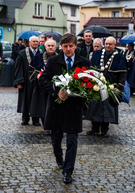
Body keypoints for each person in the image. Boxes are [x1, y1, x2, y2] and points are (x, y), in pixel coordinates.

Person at [38, 33, 90, 184]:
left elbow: (89, 84)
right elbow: (43, 80)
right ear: (61, 47)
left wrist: (82, 91)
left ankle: (68, 171)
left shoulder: (84, 62)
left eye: (71, 46)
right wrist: (56, 91)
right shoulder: (54, 61)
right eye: (65, 46)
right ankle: (59, 157)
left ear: (75, 46)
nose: (68, 49)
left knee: (72, 140)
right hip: (56, 107)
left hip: (74, 108)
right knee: (56, 139)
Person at [86, 36, 127, 136]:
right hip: (96, 86)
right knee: (95, 108)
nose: (108, 46)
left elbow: (122, 75)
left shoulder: (120, 57)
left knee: (107, 110)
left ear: (114, 45)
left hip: (111, 87)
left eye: (110, 44)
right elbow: (91, 70)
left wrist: (119, 87)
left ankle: (105, 129)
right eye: (106, 44)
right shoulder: (97, 53)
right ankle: (94, 128)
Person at [29, 39, 58, 135]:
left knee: (54, 107)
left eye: (52, 46)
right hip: (41, 86)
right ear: (45, 47)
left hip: (55, 86)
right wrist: (36, 75)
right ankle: (46, 127)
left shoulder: (59, 57)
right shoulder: (38, 57)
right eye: (48, 45)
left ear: (55, 47)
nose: (50, 47)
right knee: (43, 107)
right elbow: (30, 70)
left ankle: (54, 126)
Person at [13, 36, 42, 126]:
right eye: (33, 41)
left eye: (37, 41)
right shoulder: (22, 53)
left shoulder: (41, 53)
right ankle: (25, 118)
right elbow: (18, 68)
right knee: (25, 99)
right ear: (29, 43)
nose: (35, 43)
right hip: (26, 80)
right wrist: (19, 81)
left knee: (36, 99)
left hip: (37, 81)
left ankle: (36, 119)